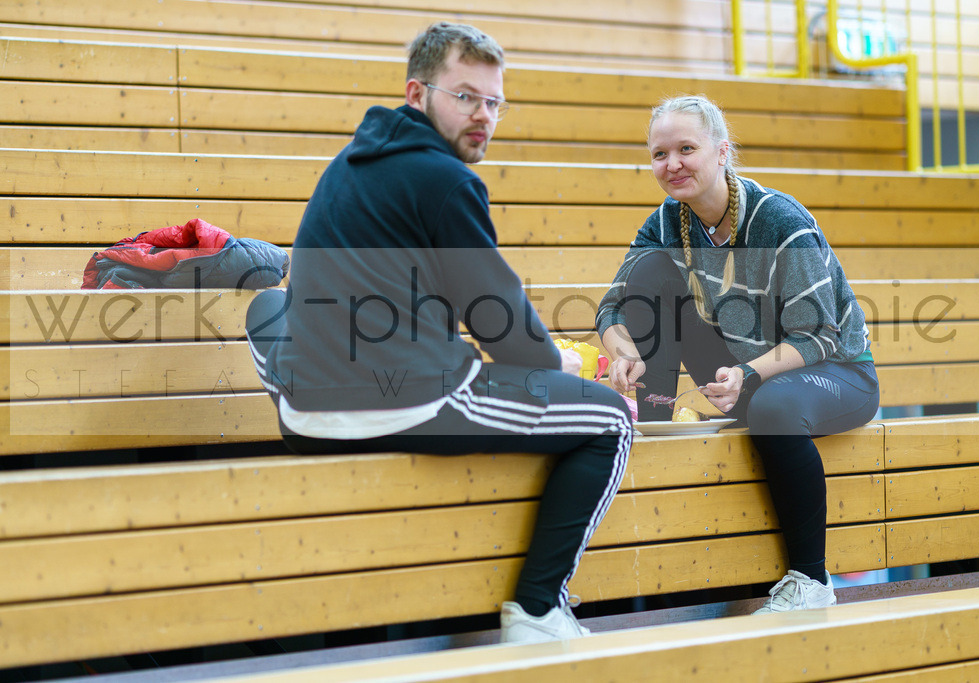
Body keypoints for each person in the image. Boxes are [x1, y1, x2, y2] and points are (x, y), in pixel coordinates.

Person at [244, 22, 632, 643]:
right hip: (408, 400)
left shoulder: (349, 163)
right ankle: (536, 612)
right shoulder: (446, 180)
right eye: (465, 96)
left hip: (304, 415)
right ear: (417, 94)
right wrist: (556, 362)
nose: (483, 115)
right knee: (610, 420)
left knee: (269, 304)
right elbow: (501, 324)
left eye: (494, 102)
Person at [596, 95, 879, 614]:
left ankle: (811, 582)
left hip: (834, 372)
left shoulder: (778, 219)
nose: (672, 164)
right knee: (651, 272)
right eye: (660, 154)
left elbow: (819, 337)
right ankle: (655, 425)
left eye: (686, 148)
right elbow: (611, 308)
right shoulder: (669, 220)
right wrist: (623, 352)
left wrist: (748, 373)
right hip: (747, 373)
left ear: (722, 152)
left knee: (772, 406)